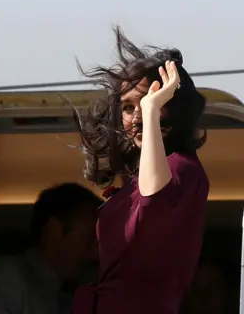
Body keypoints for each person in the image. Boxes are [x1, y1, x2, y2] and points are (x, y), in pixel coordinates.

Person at [69, 27, 209, 314]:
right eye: (128, 107)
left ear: (175, 108)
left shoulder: (184, 169)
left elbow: (153, 199)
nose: (137, 118)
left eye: (149, 105)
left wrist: (151, 108)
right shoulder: (133, 182)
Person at [0, 183, 101, 314]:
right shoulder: (7, 278)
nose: (96, 254)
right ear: (54, 231)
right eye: (89, 240)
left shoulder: (72, 295)